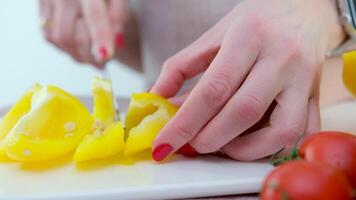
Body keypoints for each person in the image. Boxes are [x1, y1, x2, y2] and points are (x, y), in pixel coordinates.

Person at [39, 0, 346, 162]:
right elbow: (155, 34)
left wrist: (335, 8)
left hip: (339, 125)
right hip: (175, 167)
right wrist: (93, 24)